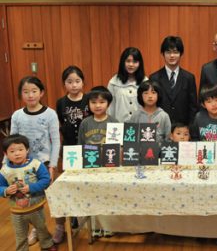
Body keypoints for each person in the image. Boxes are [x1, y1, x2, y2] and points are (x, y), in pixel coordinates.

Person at [10, 76, 61, 246]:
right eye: (26, 92)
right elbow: (10, 142)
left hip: (43, 164)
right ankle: (38, 231)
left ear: (41, 93)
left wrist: (52, 165)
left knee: (46, 200)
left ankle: (52, 230)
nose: (30, 95)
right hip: (21, 166)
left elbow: (55, 141)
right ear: (21, 94)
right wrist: (6, 165)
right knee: (27, 201)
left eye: (34, 91)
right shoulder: (17, 115)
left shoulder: (50, 114)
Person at [0, 134, 57, 251]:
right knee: (20, 234)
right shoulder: (4, 170)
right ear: (6, 154)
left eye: (20, 149)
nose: (17, 153)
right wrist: (5, 190)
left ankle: (47, 244)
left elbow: (46, 180)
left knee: (41, 227)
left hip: (36, 206)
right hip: (16, 210)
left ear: (27, 150)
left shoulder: (36, 164)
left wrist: (32, 187)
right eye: (12, 151)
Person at [54, 66, 90, 243]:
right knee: (71, 182)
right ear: (64, 84)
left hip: (87, 147)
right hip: (69, 148)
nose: (74, 85)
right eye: (69, 82)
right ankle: (73, 214)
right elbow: (61, 123)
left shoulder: (89, 99)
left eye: (77, 81)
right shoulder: (61, 102)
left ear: (83, 82)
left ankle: (87, 212)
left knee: (86, 181)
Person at [77, 86, 117, 238]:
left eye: (102, 102)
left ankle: (109, 226)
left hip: (109, 166)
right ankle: (94, 227)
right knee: (92, 196)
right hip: (90, 166)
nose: (98, 105)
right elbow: (80, 144)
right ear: (88, 104)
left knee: (108, 196)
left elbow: (119, 146)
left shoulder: (114, 122)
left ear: (108, 104)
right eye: (93, 102)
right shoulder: (85, 123)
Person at [150, 36, 198, 125]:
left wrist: (190, 128)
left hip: (183, 128)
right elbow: (151, 105)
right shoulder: (154, 78)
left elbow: (193, 107)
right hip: (160, 126)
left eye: (175, 52)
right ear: (163, 54)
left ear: (181, 54)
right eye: (168, 52)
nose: (172, 56)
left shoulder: (189, 78)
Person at [107, 47, 147, 122]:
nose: (131, 64)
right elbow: (110, 108)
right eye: (128, 61)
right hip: (119, 127)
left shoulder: (145, 82)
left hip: (140, 126)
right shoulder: (114, 82)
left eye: (135, 61)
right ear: (123, 62)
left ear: (140, 63)